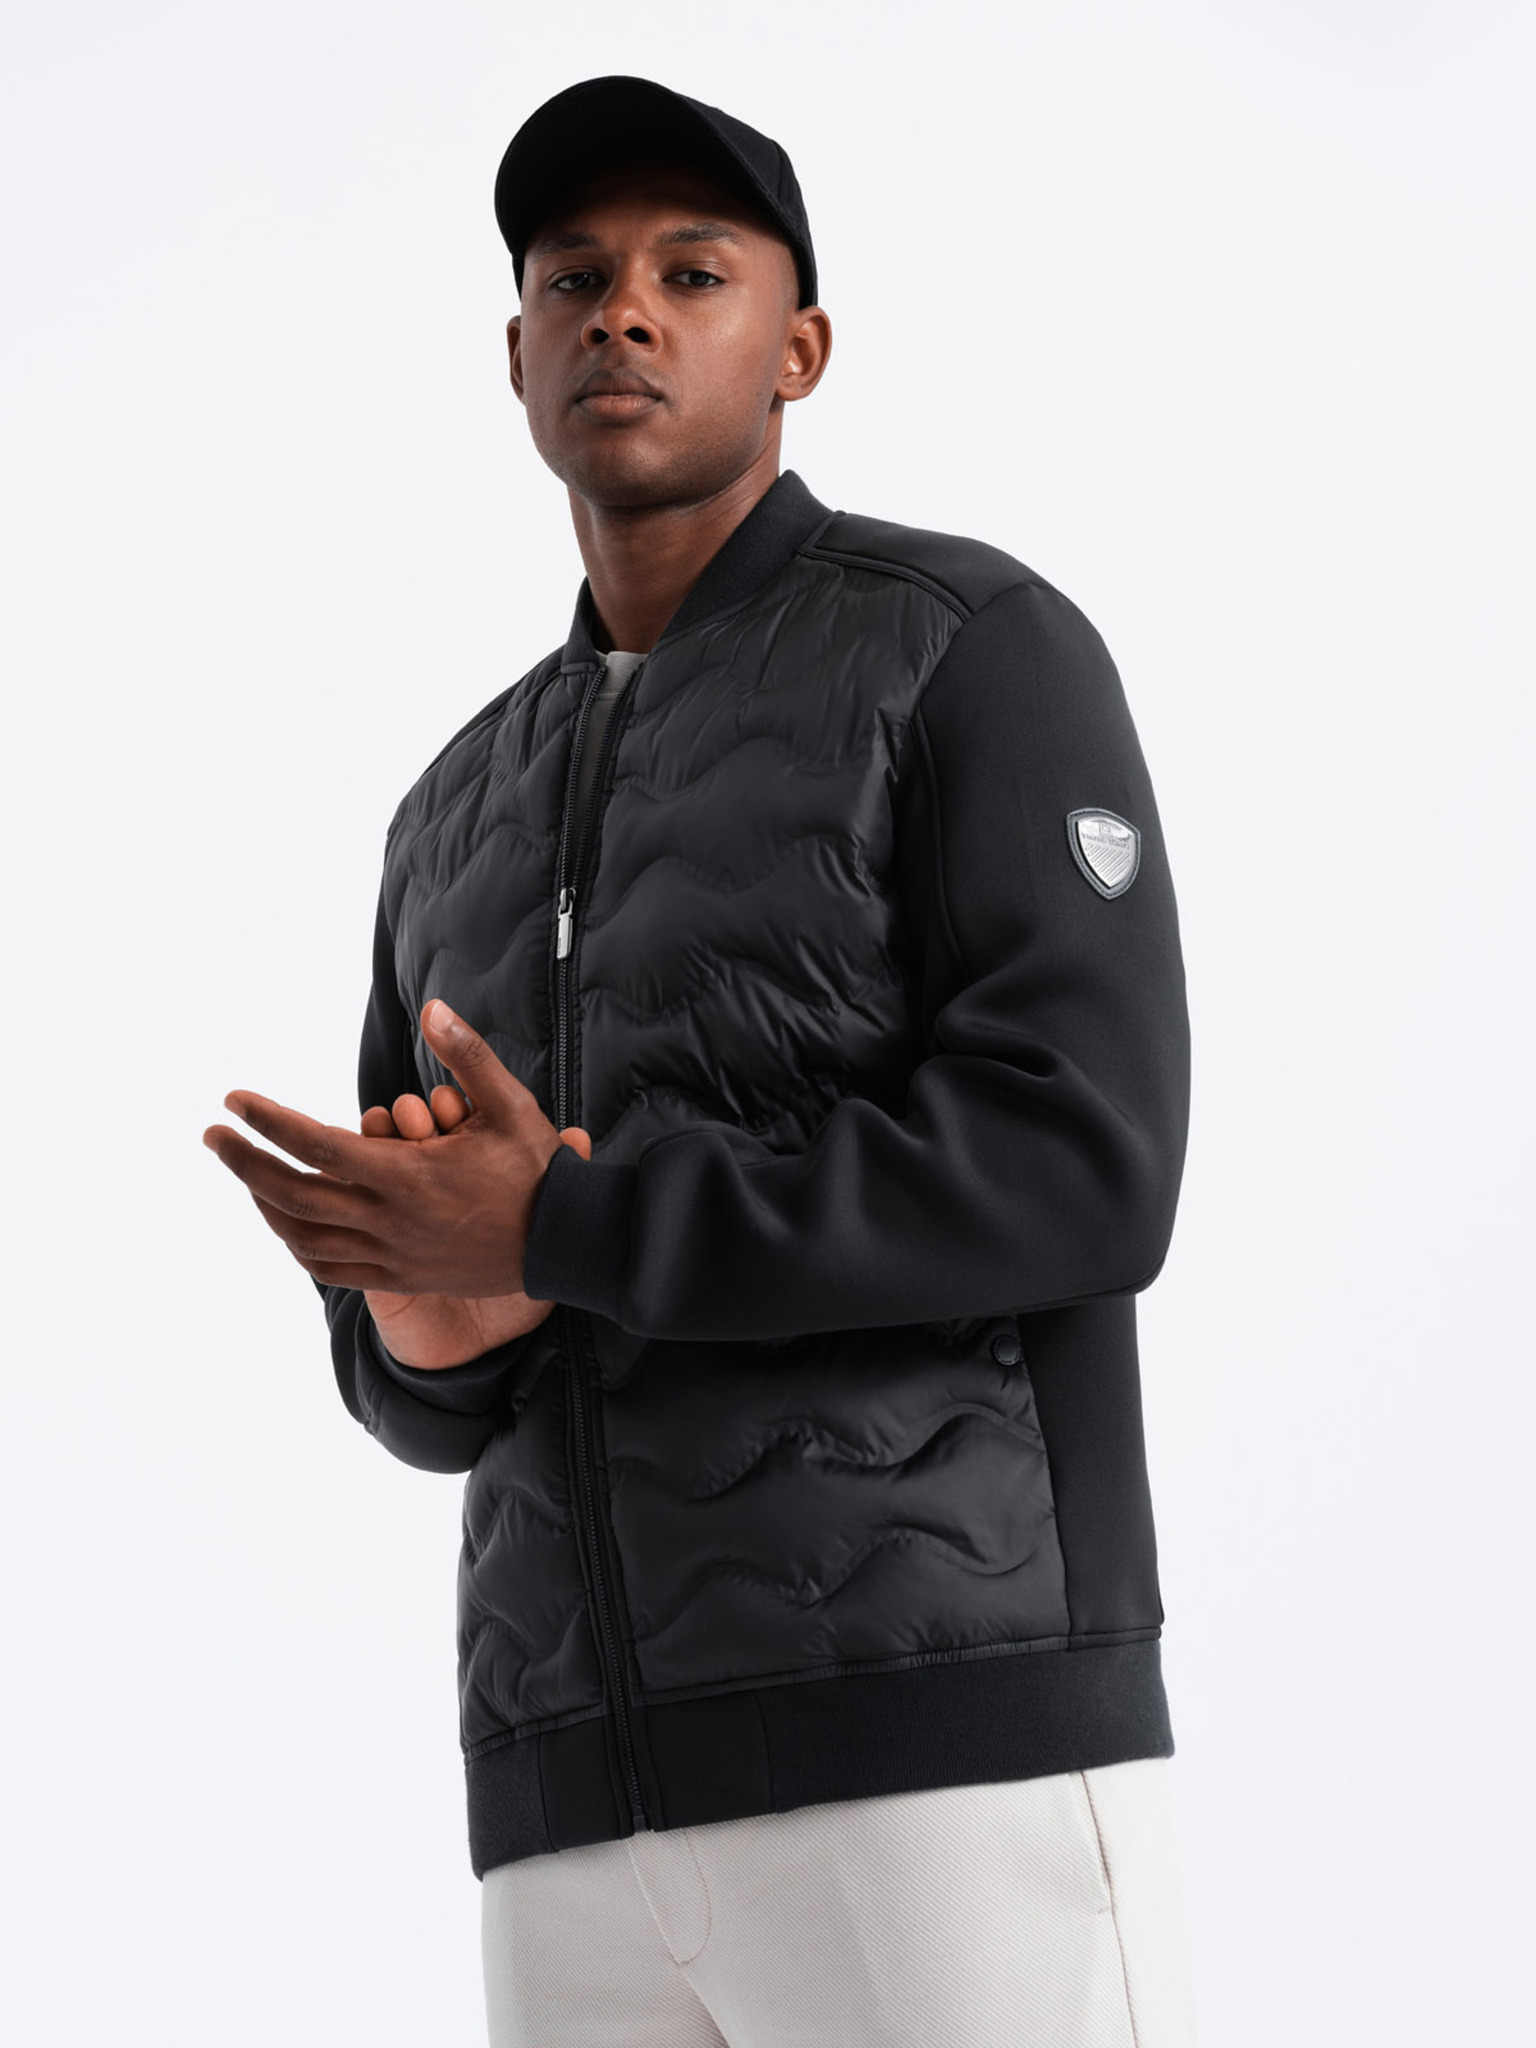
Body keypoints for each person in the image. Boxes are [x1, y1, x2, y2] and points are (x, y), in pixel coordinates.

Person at [203, 73, 1199, 2047]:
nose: (626, 314)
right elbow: (431, 1388)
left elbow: (1086, 1167)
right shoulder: (447, 818)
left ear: (798, 347)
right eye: (574, 280)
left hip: (943, 1761)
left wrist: (564, 1222)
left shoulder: (971, 648)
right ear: (515, 355)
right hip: (568, 1807)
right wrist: (423, 1323)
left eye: (692, 272)